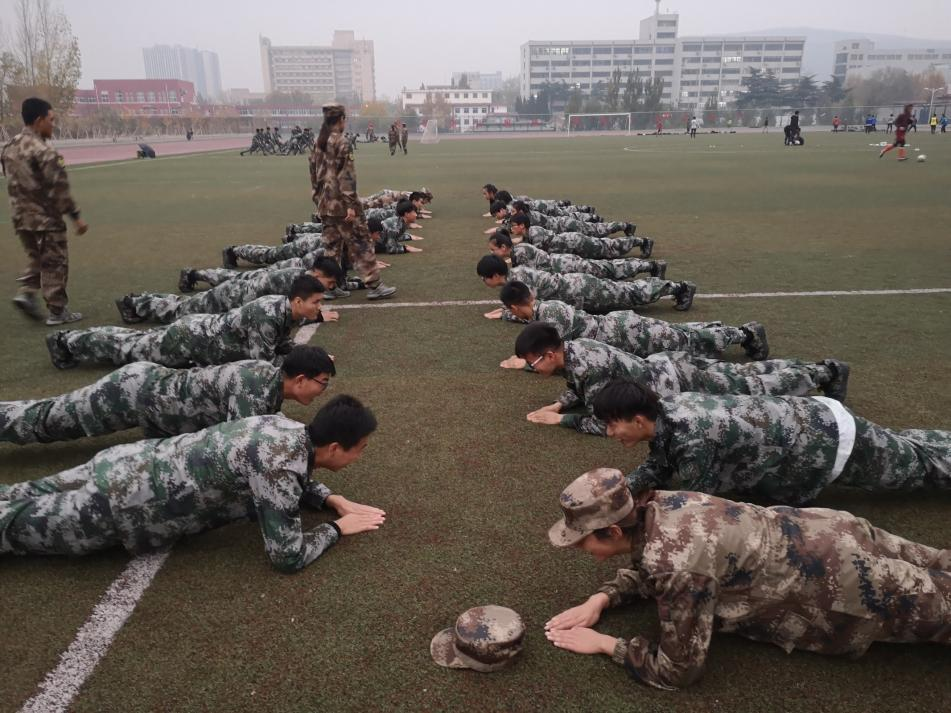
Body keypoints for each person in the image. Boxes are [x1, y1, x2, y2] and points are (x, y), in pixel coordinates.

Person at [543, 468, 951, 690]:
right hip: (837, 532)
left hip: (848, 585)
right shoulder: (664, 502)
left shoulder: (675, 565)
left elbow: (679, 669)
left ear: (613, 531)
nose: (583, 551)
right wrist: (602, 599)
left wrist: (605, 644)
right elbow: (657, 562)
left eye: (582, 543)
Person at [0, 396, 387, 573]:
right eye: (361, 449)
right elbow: (286, 556)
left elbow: (278, 470)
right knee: (13, 529)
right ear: (335, 447)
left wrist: (330, 498)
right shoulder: (280, 468)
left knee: (19, 494)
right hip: (122, 504)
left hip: (123, 462)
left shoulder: (283, 426)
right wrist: (336, 529)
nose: (360, 457)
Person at [594, 378, 950, 505]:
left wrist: (636, 507)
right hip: (814, 421)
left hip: (827, 443)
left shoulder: (693, 438)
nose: (610, 435)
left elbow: (696, 501)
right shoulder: (668, 410)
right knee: (904, 447)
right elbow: (660, 463)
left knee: (921, 468)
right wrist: (627, 486)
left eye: (612, 426)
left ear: (638, 420)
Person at [512, 323, 845, 436]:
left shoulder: (587, 366)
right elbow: (579, 389)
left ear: (552, 354)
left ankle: (824, 372)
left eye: (534, 362)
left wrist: (561, 420)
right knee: (744, 375)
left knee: (751, 386)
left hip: (677, 384)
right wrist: (559, 402)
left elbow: (607, 423)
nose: (533, 368)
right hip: (671, 368)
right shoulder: (576, 348)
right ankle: (817, 368)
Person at [1, 346, 335, 444]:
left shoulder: (268, 378)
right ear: (301, 379)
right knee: (48, 421)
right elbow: (244, 444)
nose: (323, 391)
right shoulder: (254, 388)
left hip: (149, 394)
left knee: (50, 417)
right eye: (322, 382)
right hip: (133, 394)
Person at [45, 275, 324, 370]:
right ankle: (66, 342)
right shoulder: (269, 314)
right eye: (316, 302)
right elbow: (263, 363)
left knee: (133, 343)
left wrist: (311, 358)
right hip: (190, 339)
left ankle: (70, 341)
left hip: (198, 338)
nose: (319, 308)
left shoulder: (286, 313)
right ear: (298, 301)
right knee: (128, 348)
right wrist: (307, 365)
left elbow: (284, 347)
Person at [495, 282, 768, 365]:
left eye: (512, 312)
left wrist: (526, 364)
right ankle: (738, 333)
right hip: (622, 332)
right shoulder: (544, 310)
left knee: (687, 341)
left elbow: (556, 355)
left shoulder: (550, 316)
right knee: (682, 336)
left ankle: (745, 333)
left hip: (627, 334)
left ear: (519, 306)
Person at [1, 97, 88, 325]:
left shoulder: (9, 147)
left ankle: (26, 292)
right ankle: (58, 312)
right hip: (45, 218)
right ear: (39, 120)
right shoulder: (45, 152)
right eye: (51, 120)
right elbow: (60, 190)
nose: (53, 124)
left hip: (20, 218)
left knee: (38, 258)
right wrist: (76, 217)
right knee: (55, 262)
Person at [310, 104, 396, 300]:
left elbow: (313, 175)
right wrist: (350, 205)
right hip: (342, 205)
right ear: (340, 119)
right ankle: (374, 285)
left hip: (325, 204)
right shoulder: (341, 142)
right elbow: (347, 177)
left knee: (332, 246)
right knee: (361, 243)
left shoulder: (319, 142)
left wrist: (318, 198)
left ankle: (330, 286)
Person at [117, 257, 342, 324]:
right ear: (317, 273)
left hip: (235, 295)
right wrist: (318, 317)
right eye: (329, 283)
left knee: (184, 304)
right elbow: (288, 311)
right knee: (180, 312)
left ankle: (141, 299)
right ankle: (132, 304)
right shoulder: (294, 281)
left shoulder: (300, 277)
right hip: (230, 298)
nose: (328, 289)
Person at [477, 255, 696, 316]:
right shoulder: (518, 273)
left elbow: (533, 309)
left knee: (631, 294)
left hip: (583, 291)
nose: (484, 282)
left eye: (484, 278)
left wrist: (508, 314)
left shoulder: (518, 281)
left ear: (495, 275)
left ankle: (679, 288)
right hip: (579, 286)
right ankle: (672, 285)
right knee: (627, 292)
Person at [488, 231, 662, 281]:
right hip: (566, 264)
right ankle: (649, 266)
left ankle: (652, 266)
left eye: (493, 250)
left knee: (609, 268)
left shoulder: (521, 253)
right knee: (608, 269)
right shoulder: (519, 251)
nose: (492, 253)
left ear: (503, 247)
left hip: (568, 266)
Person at [507, 216, 652, 259]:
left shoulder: (535, 234)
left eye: (514, 226)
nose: (512, 229)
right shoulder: (530, 233)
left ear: (522, 226)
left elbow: (535, 255)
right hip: (573, 244)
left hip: (576, 243)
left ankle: (643, 241)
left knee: (609, 248)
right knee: (606, 246)